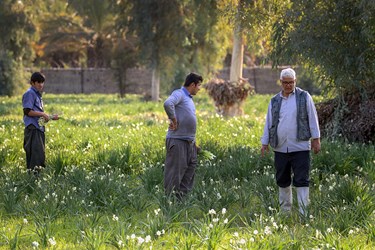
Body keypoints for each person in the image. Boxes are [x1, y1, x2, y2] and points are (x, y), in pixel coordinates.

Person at [260, 68, 321, 215]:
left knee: (302, 179)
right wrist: (264, 143)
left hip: (300, 146)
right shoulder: (274, 100)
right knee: (282, 179)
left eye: (291, 82)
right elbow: (269, 122)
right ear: (281, 82)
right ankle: (285, 211)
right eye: (285, 83)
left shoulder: (304, 97)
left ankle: (303, 213)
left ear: (295, 81)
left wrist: (316, 139)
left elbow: (312, 118)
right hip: (280, 147)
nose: (288, 85)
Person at [163, 72, 203, 200]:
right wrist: (173, 120)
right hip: (178, 141)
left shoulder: (189, 99)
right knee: (174, 175)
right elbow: (168, 103)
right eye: (199, 85)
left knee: (188, 175)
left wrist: (193, 142)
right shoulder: (179, 94)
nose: (199, 88)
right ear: (192, 84)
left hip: (189, 143)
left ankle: (181, 205)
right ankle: (169, 205)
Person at [22, 72, 58, 175]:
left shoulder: (37, 95)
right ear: (32, 83)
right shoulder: (30, 93)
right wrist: (42, 113)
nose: (41, 85)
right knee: (36, 155)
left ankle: (36, 179)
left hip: (39, 128)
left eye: (42, 82)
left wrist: (50, 117)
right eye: (38, 82)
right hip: (33, 129)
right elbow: (27, 111)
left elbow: (37, 114)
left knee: (39, 155)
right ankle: (34, 180)